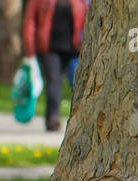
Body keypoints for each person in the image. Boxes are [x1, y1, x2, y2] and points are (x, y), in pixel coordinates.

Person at [21, 0, 88, 132]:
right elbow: (29, 21)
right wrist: (29, 47)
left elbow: (86, 19)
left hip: (73, 49)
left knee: (79, 83)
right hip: (49, 49)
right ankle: (52, 119)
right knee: (54, 82)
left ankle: (82, 119)